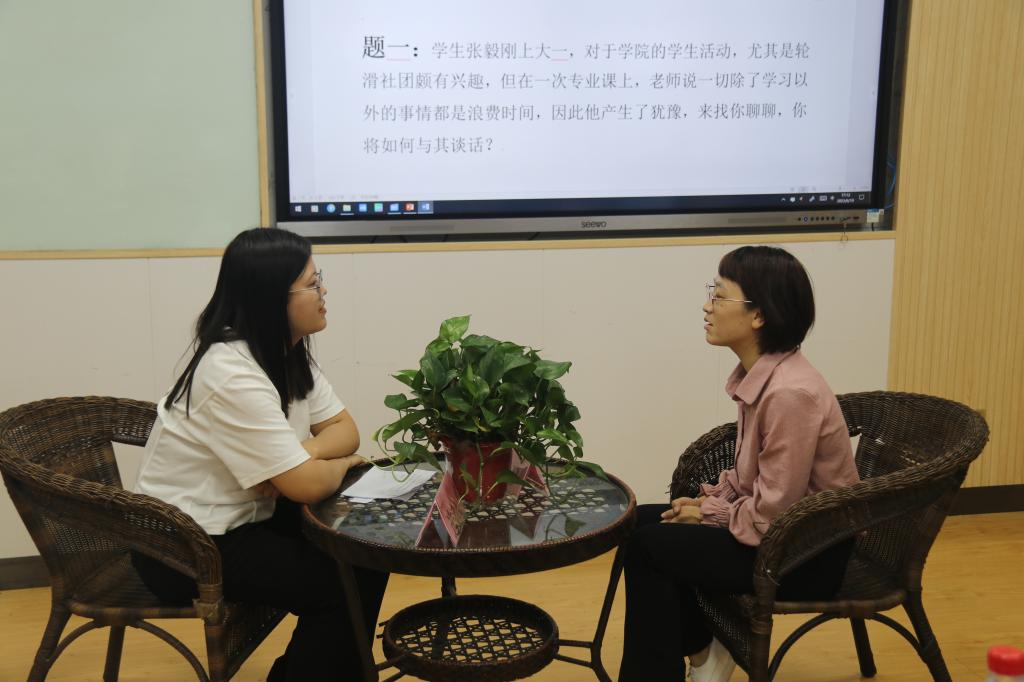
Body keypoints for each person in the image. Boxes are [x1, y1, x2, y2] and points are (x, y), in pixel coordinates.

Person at [132, 227, 388, 681]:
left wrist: (301, 454)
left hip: (249, 514)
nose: (324, 291)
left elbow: (345, 430)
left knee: (368, 547)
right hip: (186, 543)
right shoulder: (230, 371)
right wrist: (330, 466)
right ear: (272, 298)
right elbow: (307, 484)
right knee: (339, 582)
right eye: (312, 283)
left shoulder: (285, 352)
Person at [618, 246, 860, 682]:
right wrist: (705, 503)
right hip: (780, 534)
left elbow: (773, 514)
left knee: (649, 549)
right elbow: (751, 476)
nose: (707, 306)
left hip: (807, 554)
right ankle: (703, 652)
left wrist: (708, 515)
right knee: (638, 524)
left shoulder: (789, 394)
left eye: (719, 294)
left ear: (758, 315)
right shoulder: (763, 375)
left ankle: (684, 661)